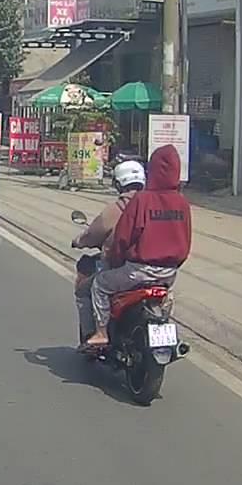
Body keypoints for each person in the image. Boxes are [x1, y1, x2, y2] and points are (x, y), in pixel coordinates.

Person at [83, 145, 192, 349]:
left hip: (137, 270)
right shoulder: (182, 203)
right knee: (167, 298)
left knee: (100, 284)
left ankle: (101, 332)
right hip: (169, 273)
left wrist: (115, 260)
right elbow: (186, 239)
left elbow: (123, 236)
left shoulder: (143, 200)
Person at [71, 160, 146, 345]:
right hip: (162, 270)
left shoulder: (117, 208)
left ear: (118, 183)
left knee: (87, 289)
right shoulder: (153, 205)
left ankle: (97, 333)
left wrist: (79, 241)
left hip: (125, 269)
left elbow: (94, 234)